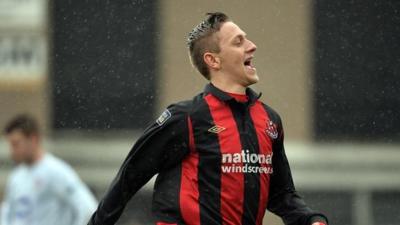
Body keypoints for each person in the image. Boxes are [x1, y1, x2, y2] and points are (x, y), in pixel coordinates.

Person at [88, 12, 328, 225]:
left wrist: (311, 220)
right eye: (239, 42)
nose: (252, 46)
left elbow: (281, 194)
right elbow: (131, 175)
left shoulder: (270, 120)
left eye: (247, 39)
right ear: (213, 60)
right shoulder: (185, 118)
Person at [0, 114, 98, 225]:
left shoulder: (56, 171)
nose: (12, 151)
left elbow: (88, 208)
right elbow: (7, 215)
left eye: (16, 144)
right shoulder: (16, 177)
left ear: (33, 139)